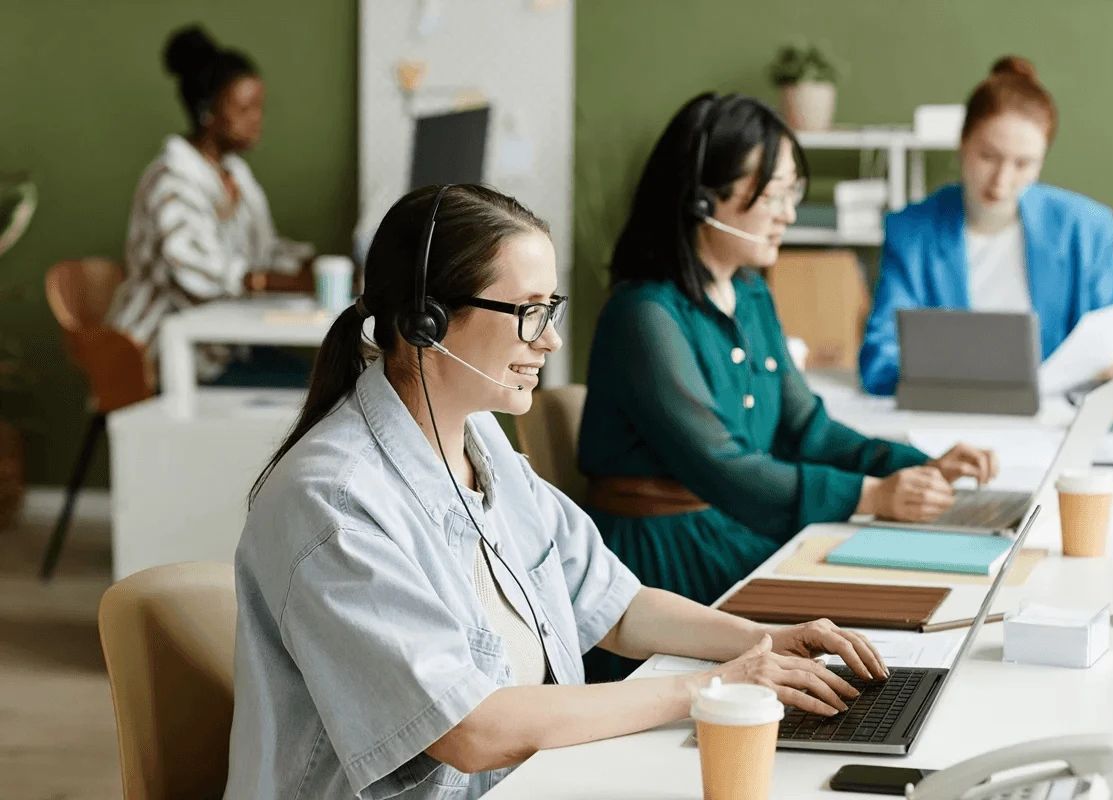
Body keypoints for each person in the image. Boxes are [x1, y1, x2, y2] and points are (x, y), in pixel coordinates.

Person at [224, 184, 893, 800]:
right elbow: (469, 729)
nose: (551, 339)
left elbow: (618, 606)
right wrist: (712, 686)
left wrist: (765, 643)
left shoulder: (485, 448)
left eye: (552, 308)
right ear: (427, 323)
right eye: (528, 313)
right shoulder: (333, 501)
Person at [577, 93, 994, 679]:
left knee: (891, 612)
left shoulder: (750, 293)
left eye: (790, 196)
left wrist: (922, 466)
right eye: (771, 195)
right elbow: (722, 466)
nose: (787, 215)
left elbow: (806, 428)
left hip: (731, 529)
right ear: (702, 199)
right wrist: (873, 496)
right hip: (664, 558)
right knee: (860, 627)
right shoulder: (644, 315)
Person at [859, 56, 1113, 396]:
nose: (1002, 179)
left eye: (1023, 163)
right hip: (950, 419)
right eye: (988, 156)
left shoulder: (1084, 228)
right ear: (962, 144)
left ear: (1041, 164)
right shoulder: (911, 232)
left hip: (1054, 419)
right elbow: (879, 358)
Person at [107, 25, 315, 387]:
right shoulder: (171, 180)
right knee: (309, 392)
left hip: (220, 346)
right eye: (245, 108)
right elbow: (198, 273)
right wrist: (280, 280)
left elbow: (262, 249)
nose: (257, 119)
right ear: (208, 112)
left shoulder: (235, 174)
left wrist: (310, 264)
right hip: (164, 350)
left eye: (260, 107)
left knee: (323, 380)